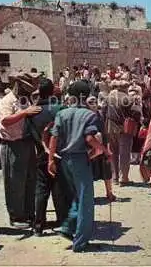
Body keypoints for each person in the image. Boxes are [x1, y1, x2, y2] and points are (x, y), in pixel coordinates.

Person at [47, 81, 108, 252]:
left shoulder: (62, 114)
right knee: (86, 201)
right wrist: (104, 150)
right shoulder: (89, 115)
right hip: (80, 159)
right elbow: (90, 139)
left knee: (75, 197)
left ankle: (68, 227)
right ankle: (80, 242)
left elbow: (54, 137)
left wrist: (51, 160)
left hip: (64, 159)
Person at [0, 73, 42, 228]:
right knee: (14, 182)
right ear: (17, 84)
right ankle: (16, 216)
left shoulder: (26, 99)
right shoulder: (7, 101)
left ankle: (29, 214)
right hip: (12, 144)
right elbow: (5, 120)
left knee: (30, 181)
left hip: (27, 143)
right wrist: (25, 112)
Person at [28, 79, 68, 236]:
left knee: (41, 189)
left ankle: (38, 225)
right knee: (59, 189)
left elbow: (28, 133)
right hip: (58, 153)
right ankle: (63, 222)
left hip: (39, 153)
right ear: (52, 92)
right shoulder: (59, 109)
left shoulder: (32, 111)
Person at [86, 96, 116, 202]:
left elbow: (105, 132)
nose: (93, 104)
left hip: (102, 147)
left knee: (107, 171)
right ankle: (90, 195)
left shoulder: (100, 115)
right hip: (91, 148)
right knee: (90, 173)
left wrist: (107, 148)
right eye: (90, 102)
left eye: (94, 101)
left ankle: (109, 192)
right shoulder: (85, 116)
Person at [106, 81, 134, 185]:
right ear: (126, 88)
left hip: (110, 128)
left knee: (113, 153)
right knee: (124, 154)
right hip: (123, 128)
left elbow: (104, 112)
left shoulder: (109, 97)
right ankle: (124, 178)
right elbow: (135, 113)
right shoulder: (128, 98)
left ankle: (114, 177)